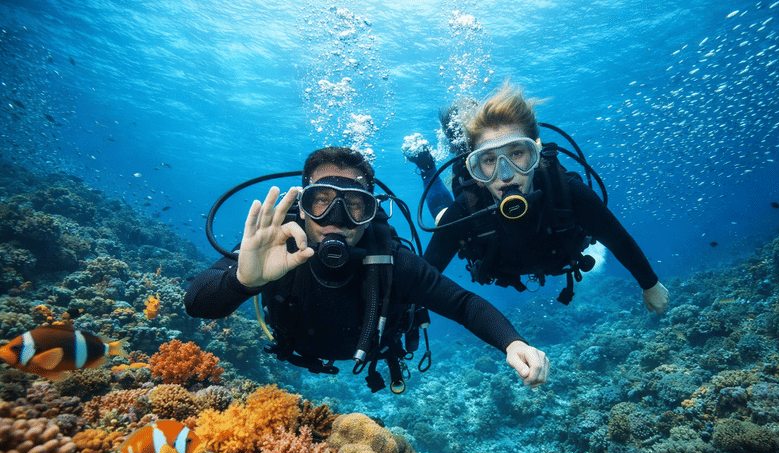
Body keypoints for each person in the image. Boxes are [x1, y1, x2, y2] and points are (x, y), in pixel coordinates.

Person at [185, 147, 550, 394]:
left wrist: (512, 341)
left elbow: (463, 304)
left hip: (377, 353)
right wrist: (243, 281)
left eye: (355, 206)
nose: (336, 219)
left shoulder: (391, 260)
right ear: (303, 205)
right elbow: (197, 304)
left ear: (372, 212)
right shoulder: (274, 244)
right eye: (321, 202)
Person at [423, 83, 670, 313]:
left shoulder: (566, 191)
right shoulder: (467, 208)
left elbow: (616, 237)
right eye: (489, 160)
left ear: (536, 155)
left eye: (517, 153)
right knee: (443, 217)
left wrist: (650, 284)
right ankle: (426, 167)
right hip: (488, 244)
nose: (506, 175)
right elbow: (424, 276)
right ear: (476, 173)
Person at [403, 97, 476, 225]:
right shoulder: (460, 167)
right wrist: (428, 170)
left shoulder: (461, 165)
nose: (452, 149)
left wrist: (428, 172)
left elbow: (445, 219)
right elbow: (445, 218)